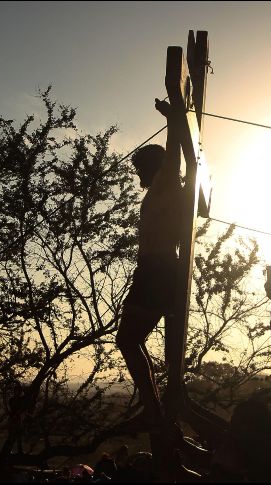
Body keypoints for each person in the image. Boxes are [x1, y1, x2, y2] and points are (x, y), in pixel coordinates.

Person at [115, 100, 182, 427]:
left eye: (141, 167)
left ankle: (153, 408)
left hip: (157, 271)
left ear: (154, 166)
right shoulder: (163, 189)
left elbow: (173, 156)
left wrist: (173, 118)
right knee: (130, 339)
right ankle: (153, 405)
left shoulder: (165, 183)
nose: (138, 174)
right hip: (155, 270)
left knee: (127, 339)